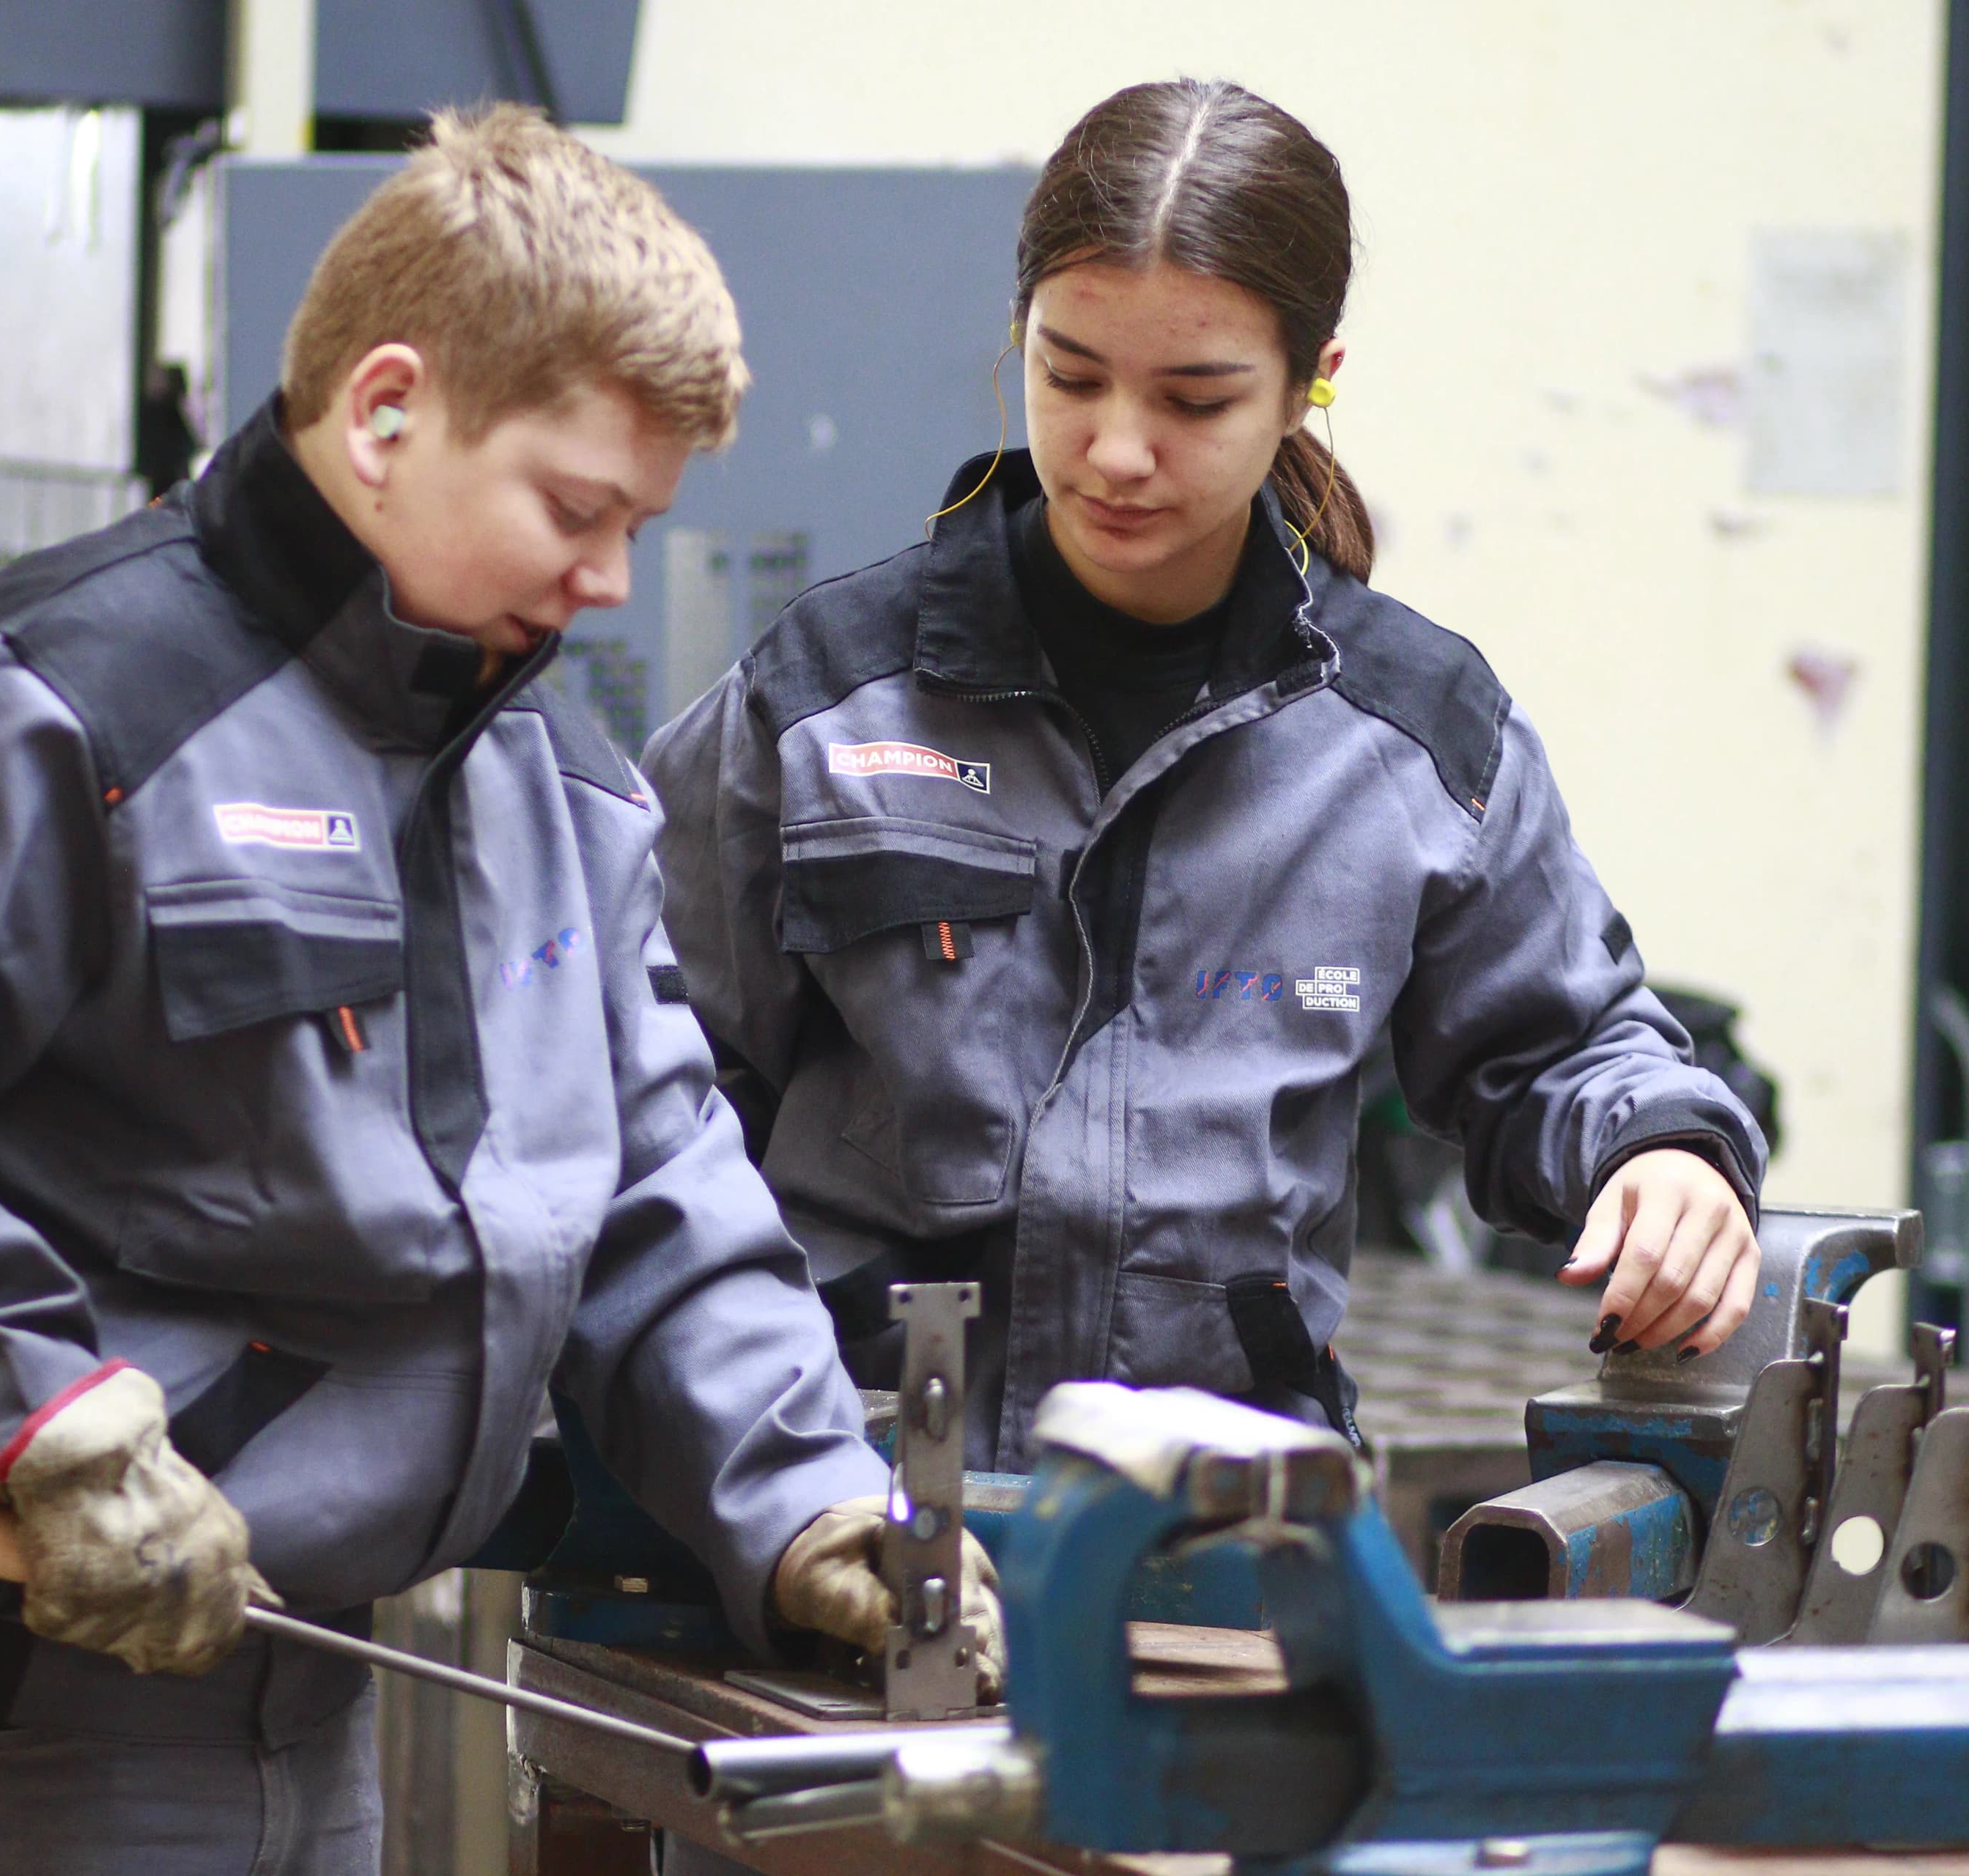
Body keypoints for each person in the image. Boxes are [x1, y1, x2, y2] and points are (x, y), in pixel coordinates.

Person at [0, 106, 991, 1875]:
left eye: (638, 526)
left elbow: (661, 1200)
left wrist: (807, 1500)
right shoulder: (61, 707)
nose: (608, 583)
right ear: (388, 410)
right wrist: (26, 1413)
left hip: (301, 1703)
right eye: (576, 510)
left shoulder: (563, 800)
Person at [643, 79, 1770, 1473]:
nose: (1118, 450)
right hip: (851, 1497)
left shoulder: (1412, 741)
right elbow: (650, 1076)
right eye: (1070, 377)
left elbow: (1563, 1047)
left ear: (1309, 383)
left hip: (1226, 1523)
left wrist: (1662, 1151)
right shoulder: (826, 702)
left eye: (1196, 399)